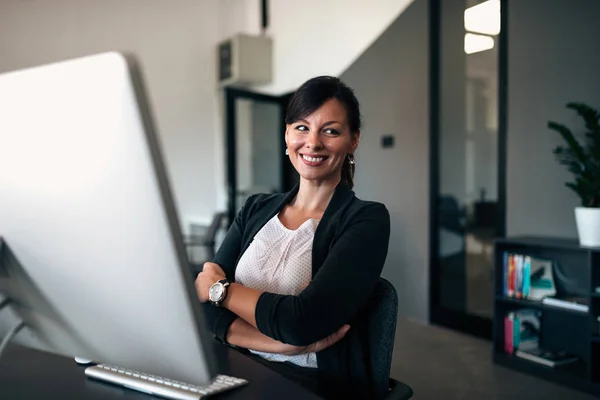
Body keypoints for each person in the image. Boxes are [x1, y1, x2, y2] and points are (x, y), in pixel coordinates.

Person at [195, 76, 390, 399]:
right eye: (301, 127)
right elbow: (203, 310)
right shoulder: (256, 208)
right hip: (234, 365)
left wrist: (220, 290)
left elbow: (301, 323)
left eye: (330, 130)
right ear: (286, 135)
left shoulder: (366, 220)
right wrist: (277, 343)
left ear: (353, 140)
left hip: (307, 384)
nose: (312, 143)